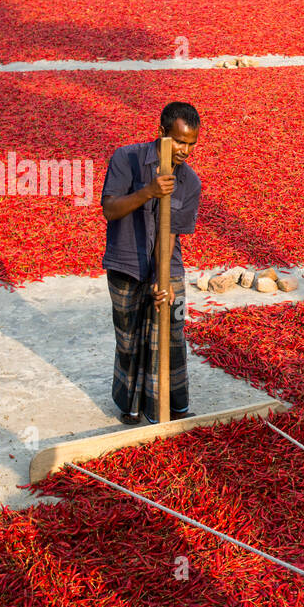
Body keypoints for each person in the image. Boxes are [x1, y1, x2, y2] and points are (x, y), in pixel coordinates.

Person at [100, 101, 202, 425]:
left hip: (167, 266)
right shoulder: (125, 159)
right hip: (125, 263)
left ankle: (177, 407)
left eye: (191, 143)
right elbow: (110, 209)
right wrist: (149, 191)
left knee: (174, 333)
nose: (185, 150)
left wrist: (164, 279)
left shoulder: (190, 183)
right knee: (128, 339)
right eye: (180, 141)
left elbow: (171, 232)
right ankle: (130, 408)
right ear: (162, 133)